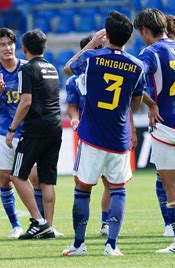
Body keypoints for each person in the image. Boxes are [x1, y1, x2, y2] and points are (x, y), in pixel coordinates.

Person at [62, 11, 144, 256]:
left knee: (82, 189)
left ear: (106, 35)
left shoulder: (92, 58)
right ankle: (112, 245)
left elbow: (68, 68)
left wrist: (91, 43)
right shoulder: (137, 66)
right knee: (118, 190)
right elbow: (136, 104)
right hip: (118, 138)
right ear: (128, 38)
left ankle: (79, 245)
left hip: (92, 137)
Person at [134, 9, 175, 254]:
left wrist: (151, 105)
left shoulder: (150, 52)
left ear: (144, 30)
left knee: (170, 185)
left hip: (167, 127)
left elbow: (133, 80)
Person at [5, 30, 61, 240]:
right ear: (44, 48)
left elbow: (26, 101)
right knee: (47, 180)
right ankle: (49, 226)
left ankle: (38, 221)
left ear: (24, 49)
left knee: (17, 176)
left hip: (36, 128)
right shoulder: (52, 68)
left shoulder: (26, 70)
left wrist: (12, 129)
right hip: (55, 126)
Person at [66, 34, 111, 236]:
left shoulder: (109, 73)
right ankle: (82, 229)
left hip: (108, 131)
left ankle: (106, 222)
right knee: (83, 183)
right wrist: (74, 119)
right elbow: (72, 106)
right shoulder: (74, 81)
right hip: (87, 134)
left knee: (109, 182)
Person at [0, 28, 24, 239]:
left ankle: (41, 222)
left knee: (34, 177)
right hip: (1, 131)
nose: (7, 48)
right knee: (5, 178)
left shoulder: (27, 68)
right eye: (2, 45)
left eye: (10, 43)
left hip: (26, 130)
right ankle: (16, 225)